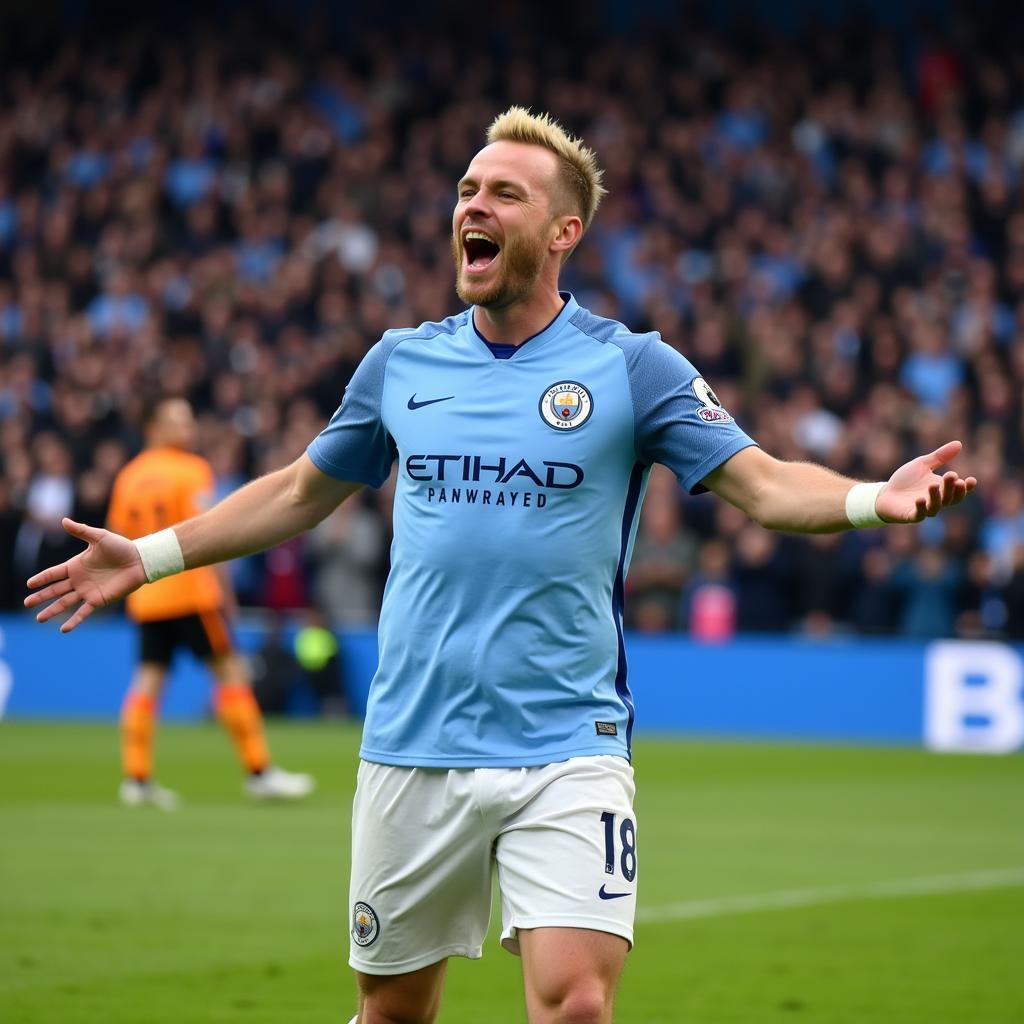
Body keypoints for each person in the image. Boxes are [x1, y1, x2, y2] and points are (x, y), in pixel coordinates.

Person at [26, 108, 976, 1024]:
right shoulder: (401, 363)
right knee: (394, 1009)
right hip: (412, 739)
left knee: (577, 1003)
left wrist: (869, 499)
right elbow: (298, 492)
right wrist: (148, 555)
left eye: (505, 194)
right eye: (467, 188)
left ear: (564, 231)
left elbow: (764, 487)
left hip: (569, 743)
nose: (473, 206)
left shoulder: (633, 366)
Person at [104, 396, 314, 808]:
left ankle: (136, 777)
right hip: (190, 591)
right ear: (153, 428)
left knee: (148, 681)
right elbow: (207, 535)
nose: (188, 429)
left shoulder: (128, 476)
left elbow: (116, 536)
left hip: (147, 597)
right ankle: (259, 771)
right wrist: (226, 595)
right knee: (232, 674)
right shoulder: (192, 470)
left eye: (189, 420)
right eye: (177, 421)